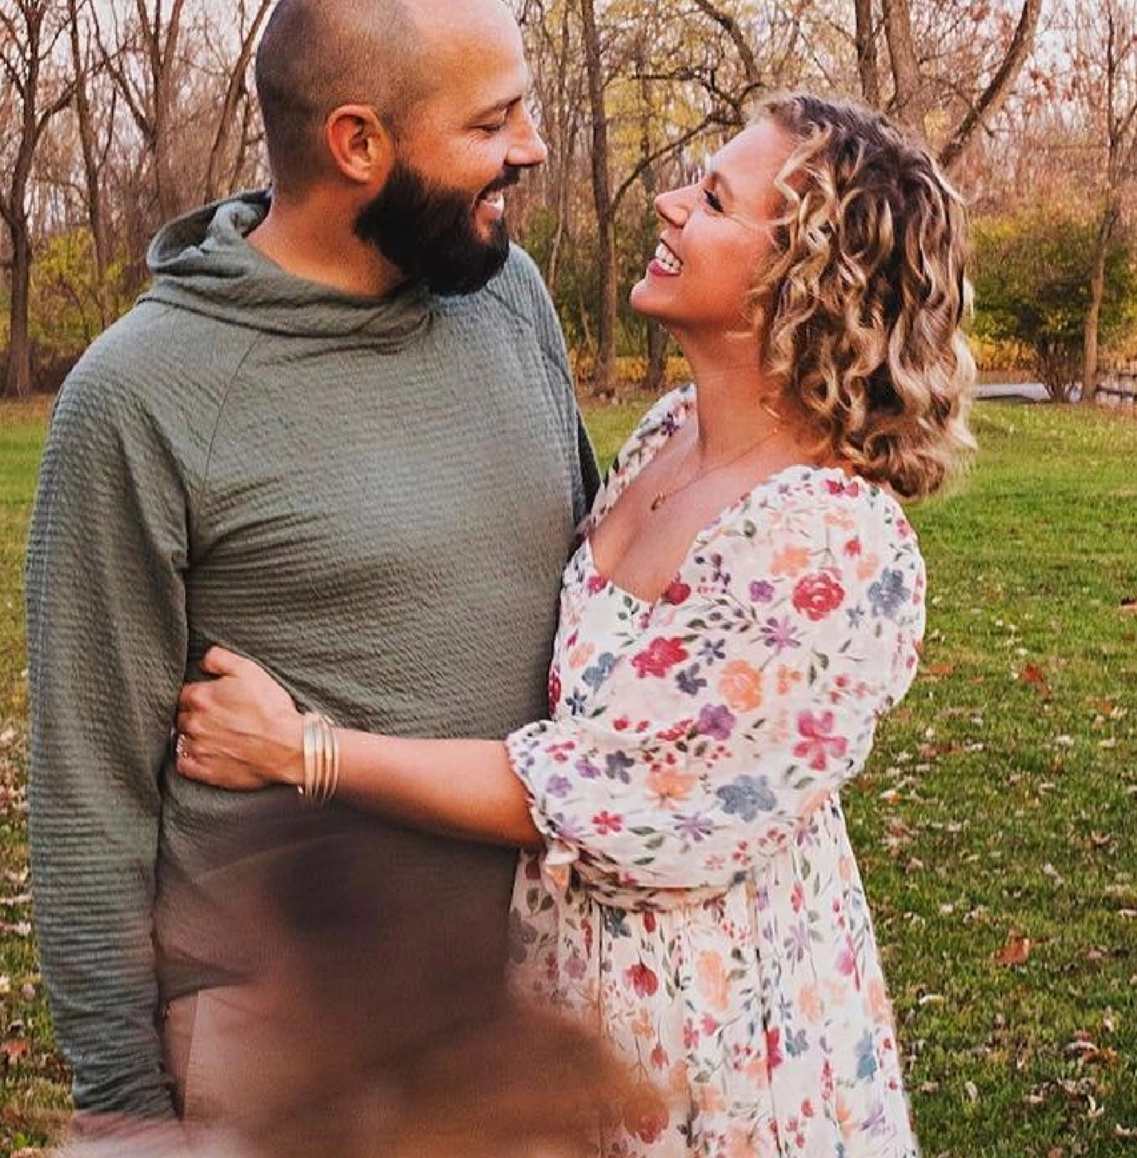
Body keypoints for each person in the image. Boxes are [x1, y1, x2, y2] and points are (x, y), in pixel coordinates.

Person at [174, 92, 977, 1157]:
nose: (669, 202)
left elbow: (598, 795)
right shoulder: (670, 433)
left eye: (713, 200)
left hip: (718, 1049)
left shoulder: (830, 550)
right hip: (568, 1000)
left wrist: (303, 750)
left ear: (803, 279)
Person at [25, 0, 598, 1141]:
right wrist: (123, 1110)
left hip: (530, 1004)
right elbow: (89, 788)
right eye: (491, 121)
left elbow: (594, 606)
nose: (531, 147)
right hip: (289, 1039)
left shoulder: (507, 297)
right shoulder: (142, 392)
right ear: (357, 144)